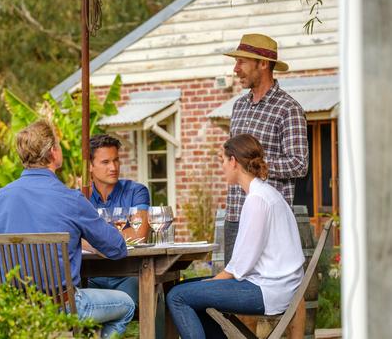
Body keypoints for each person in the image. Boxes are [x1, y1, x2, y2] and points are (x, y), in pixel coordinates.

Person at [0, 120, 135, 338]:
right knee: (127, 305)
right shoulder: (71, 199)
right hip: (61, 307)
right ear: (53, 152)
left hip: (11, 309)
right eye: (59, 146)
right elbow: (117, 248)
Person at [166, 134, 305, 339]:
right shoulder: (268, 193)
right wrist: (209, 284)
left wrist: (212, 283)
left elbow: (240, 266)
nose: (221, 166)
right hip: (276, 285)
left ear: (233, 161)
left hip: (268, 290)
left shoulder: (257, 200)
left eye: (222, 160)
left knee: (177, 296)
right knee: (186, 290)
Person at [223, 33, 309, 335]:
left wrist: (257, 165)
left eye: (241, 62)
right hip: (236, 213)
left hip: (273, 222)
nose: (236, 69)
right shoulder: (238, 107)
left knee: (286, 294)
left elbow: (300, 164)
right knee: (235, 295)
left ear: (263, 63)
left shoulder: (289, 109)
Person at [85, 134, 167, 338]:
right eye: (105, 162)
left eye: (116, 160)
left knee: (152, 292)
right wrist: (119, 232)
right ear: (90, 166)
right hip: (90, 278)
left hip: (128, 276)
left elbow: (140, 233)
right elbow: (75, 237)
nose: (113, 167)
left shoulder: (136, 191)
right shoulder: (80, 196)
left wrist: (95, 236)